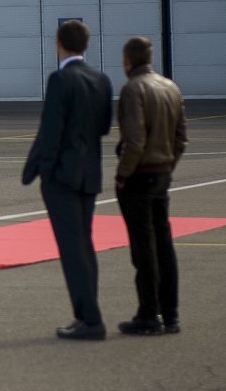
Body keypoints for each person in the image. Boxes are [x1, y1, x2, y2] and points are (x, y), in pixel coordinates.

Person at [22, 19, 113, 341]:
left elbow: (50, 131)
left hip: (63, 176)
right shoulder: (101, 79)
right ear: (85, 45)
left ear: (59, 44)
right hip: (89, 174)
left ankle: (89, 319)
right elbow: (103, 127)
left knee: (72, 249)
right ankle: (87, 313)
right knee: (85, 245)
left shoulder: (61, 79)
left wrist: (45, 171)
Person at [114, 36, 187, 336]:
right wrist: (168, 165)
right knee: (164, 244)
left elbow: (134, 141)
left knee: (143, 248)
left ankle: (147, 315)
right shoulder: (170, 87)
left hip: (140, 176)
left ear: (128, 60)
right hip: (162, 174)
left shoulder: (133, 89)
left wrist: (122, 174)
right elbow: (181, 137)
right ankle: (170, 314)